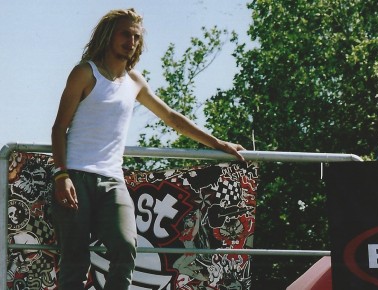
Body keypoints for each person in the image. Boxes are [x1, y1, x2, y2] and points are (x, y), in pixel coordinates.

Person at [51, 8, 245, 290]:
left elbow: (171, 117)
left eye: (136, 36)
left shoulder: (135, 81)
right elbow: (59, 127)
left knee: (126, 246)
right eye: (125, 34)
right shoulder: (85, 72)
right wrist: (61, 175)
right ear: (109, 36)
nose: (131, 41)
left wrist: (218, 143)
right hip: (75, 176)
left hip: (112, 180)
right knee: (74, 261)